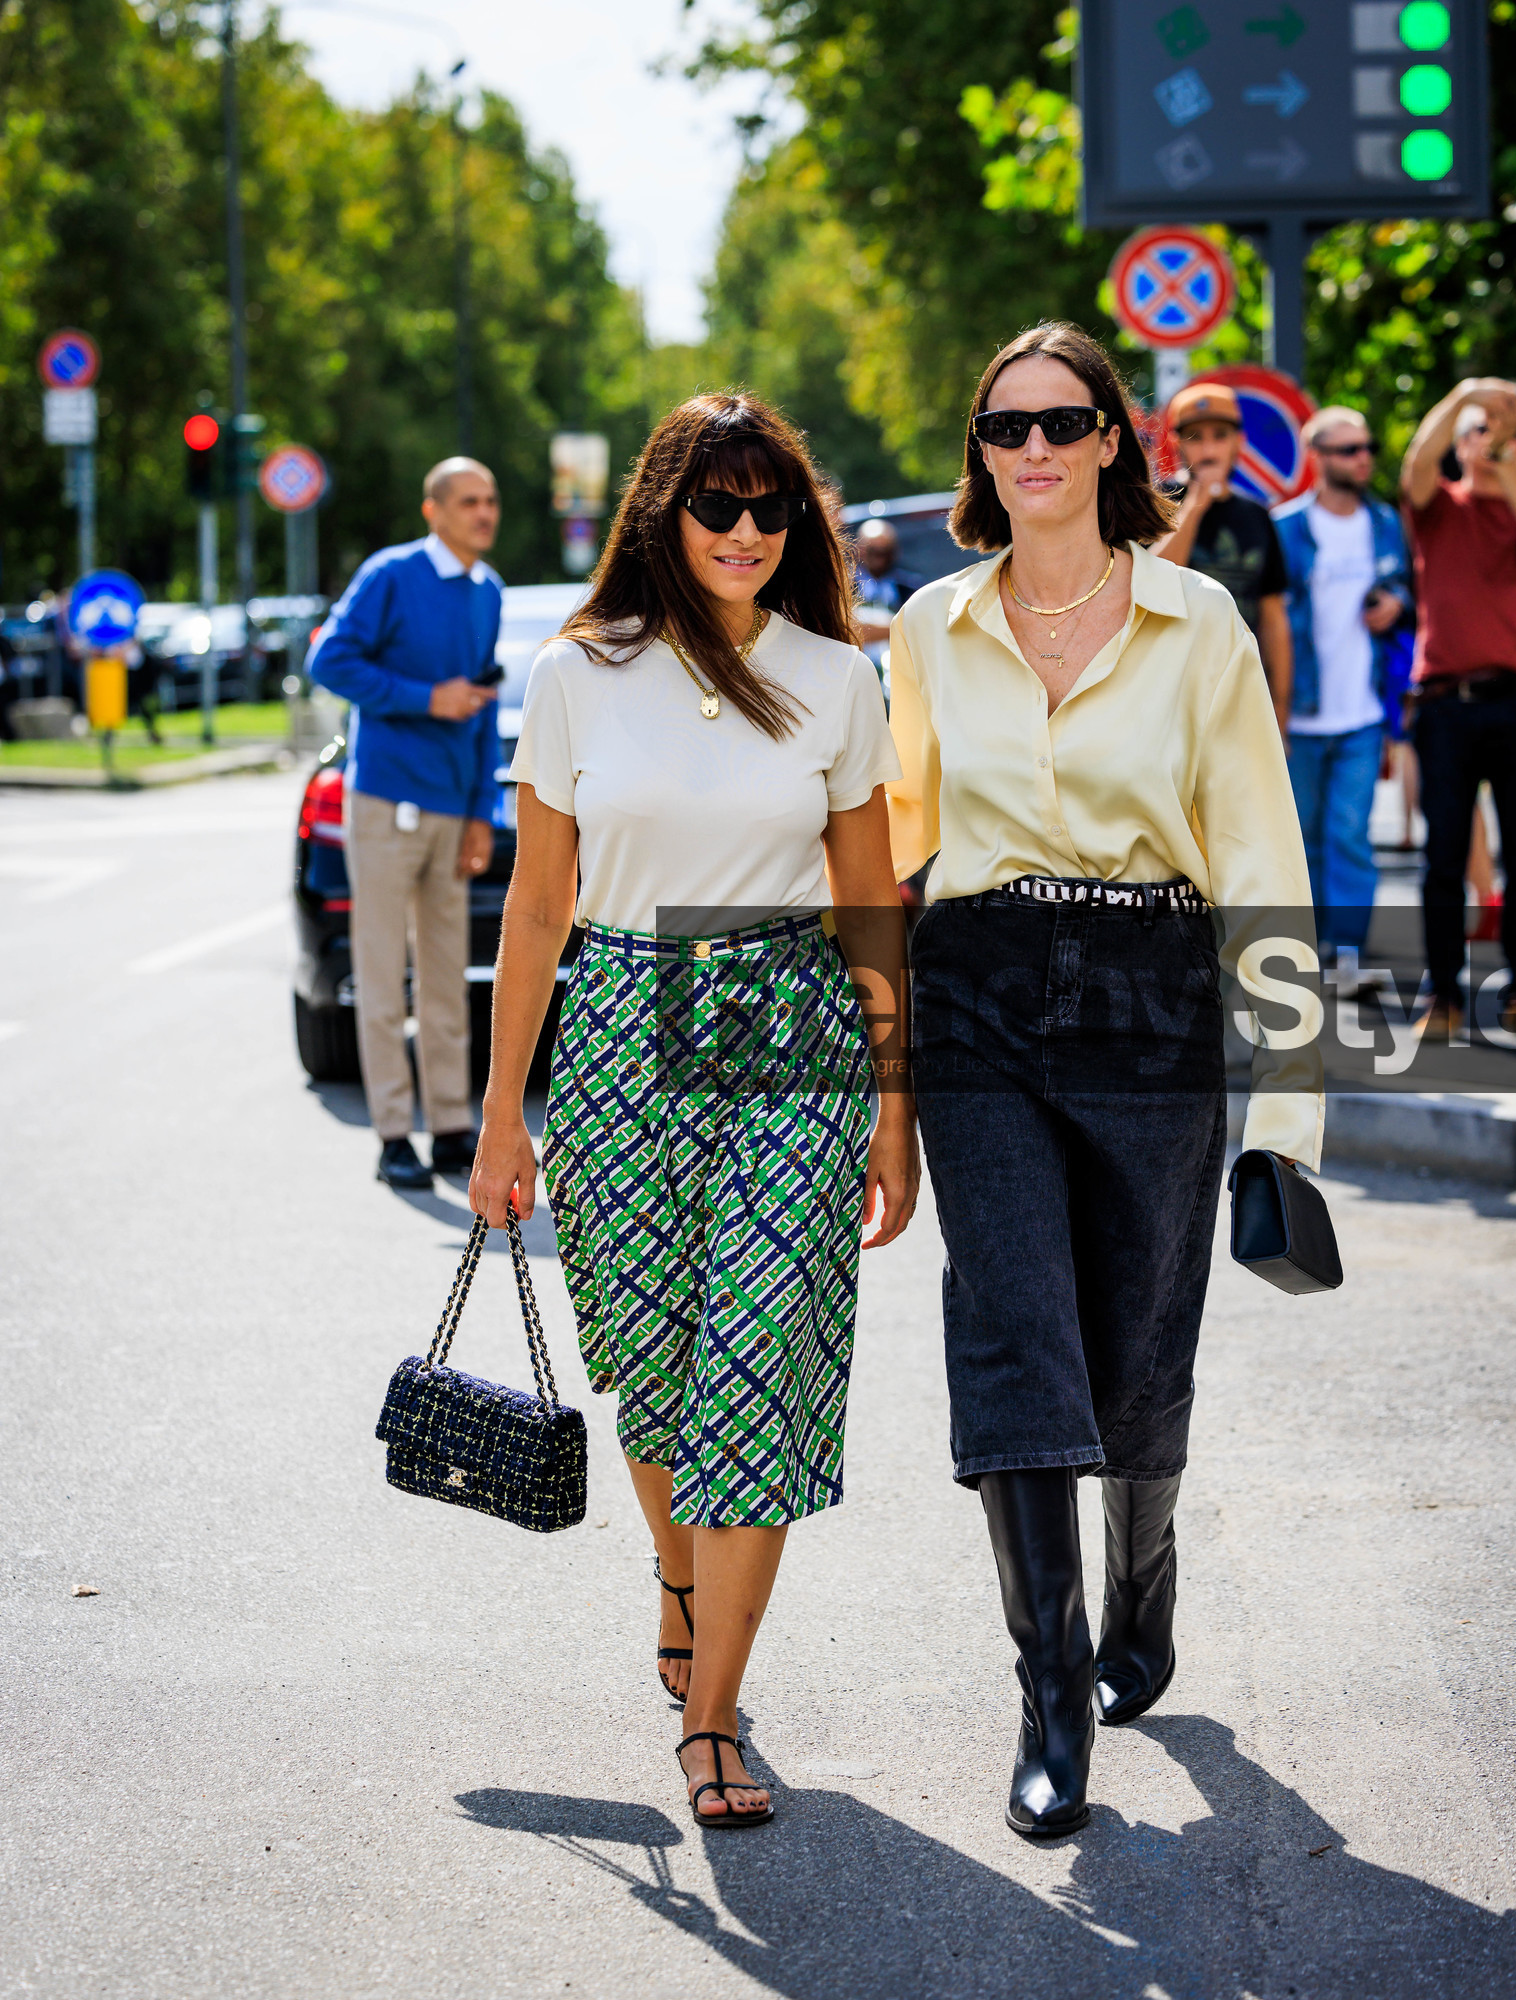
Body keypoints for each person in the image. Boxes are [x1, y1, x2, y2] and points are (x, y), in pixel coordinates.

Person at [887, 323, 1321, 1840]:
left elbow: (1262, 855)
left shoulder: (1199, 624)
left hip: (1153, 990)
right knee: (1015, 1330)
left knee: (1136, 1350)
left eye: (1066, 423)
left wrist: (1292, 1109)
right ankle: (1051, 1697)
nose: (1036, 450)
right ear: (981, 452)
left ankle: (1146, 1575)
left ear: (1113, 442)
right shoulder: (930, 626)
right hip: (981, 998)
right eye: (1006, 427)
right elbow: (890, 832)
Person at [469, 393, 919, 1830]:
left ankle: (712, 1715)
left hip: (790, 1023)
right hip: (614, 1030)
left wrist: (892, 1108)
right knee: (655, 1374)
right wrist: (500, 1116)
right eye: (716, 505)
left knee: (752, 1366)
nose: (743, 531)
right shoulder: (578, 674)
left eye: (770, 507)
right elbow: (538, 906)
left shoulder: (842, 677)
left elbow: (869, 905)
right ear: (662, 511)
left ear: (800, 524)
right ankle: (677, 1574)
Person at [310, 458, 503, 1189]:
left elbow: (482, 703)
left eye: (490, 502)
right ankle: (395, 1134)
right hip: (385, 802)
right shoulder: (390, 575)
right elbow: (330, 660)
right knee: (385, 974)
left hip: (454, 812)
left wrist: (483, 812)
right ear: (434, 510)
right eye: (469, 502)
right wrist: (427, 698)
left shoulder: (488, 591)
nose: (484, 514)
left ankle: (452, 1127)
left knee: (449, 978)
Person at [1400, 379, 1516, 1035]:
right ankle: (1442, 995)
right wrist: (1465, 395)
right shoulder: (1438, 506)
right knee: (1442, 855)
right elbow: (1416, 464)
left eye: (1507, 434)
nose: (1491, 440)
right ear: (1458, 444)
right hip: (1447, 703)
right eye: (1477, 432)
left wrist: (1505, 454)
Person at [1271, 407, 1411, 972]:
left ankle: (1347, 948)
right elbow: (1265, 619)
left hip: (1363, 710)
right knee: (1299, 836)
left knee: (1350, 834)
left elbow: (1402, 581)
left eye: (1367, 446)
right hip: (1299, 715)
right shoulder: (1285, 528)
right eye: (1349, 449)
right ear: (1319, 458)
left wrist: (1397, 600)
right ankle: (1310, 940)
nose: (1364, 458)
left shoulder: (1385, 522)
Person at [1154, 381, 1293, 727]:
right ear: (1176, 445)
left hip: (1240, 693)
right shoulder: (1156, 502)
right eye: (1196, 438)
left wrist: (1280, 706)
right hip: (1170, 695)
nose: (1209, 449)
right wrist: (1194, 509)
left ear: (1239, 443)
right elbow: (1152, 581)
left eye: (1219, 435)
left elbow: (1273, 617)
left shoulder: (1257, 517)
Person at [852, 518, 924, 677]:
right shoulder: (844, 588)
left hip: (899, 672)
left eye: (886, 551)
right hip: (856, 670)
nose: (880, 557)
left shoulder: (911, 588)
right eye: (873, 551)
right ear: (860, 549)